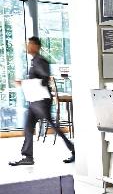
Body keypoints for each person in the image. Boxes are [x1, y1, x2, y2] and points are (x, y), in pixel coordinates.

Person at [9, 36, 75, 166]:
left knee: (53, 127)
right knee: (28, 127)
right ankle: (28, 157)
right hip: (35, 101)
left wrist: (23, 83)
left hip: (41, 101)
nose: (27, 46)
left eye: (29, 44)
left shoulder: (40, 61)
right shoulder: (35, 61)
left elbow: (45, 79)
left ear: (36, 46)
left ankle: (73, 149)